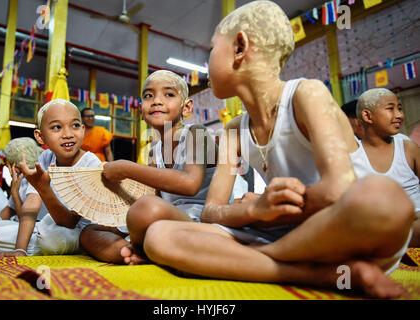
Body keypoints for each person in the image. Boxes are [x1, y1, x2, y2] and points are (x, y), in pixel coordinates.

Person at [140, 1, 415, 299]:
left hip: (343, 227)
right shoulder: (233, 131)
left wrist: (262, 210)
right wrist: (255, 209)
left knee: (386, 198)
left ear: (239, 47)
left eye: (212, 49)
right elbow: (210, 212)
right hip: (286, 234)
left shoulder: (305, 94)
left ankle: (263, 257)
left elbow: (339, 190)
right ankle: (313, 273)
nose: (208, 61)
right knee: (159, 235)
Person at [79, 70, 217, 264]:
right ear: (141, 112)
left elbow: (190, 184)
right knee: (90, 231)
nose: (156, 101)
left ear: (187, 108)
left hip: (198, 222)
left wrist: (128, 168)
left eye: (168, 94)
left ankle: (145, 250)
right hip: (164, 219)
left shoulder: (196, 133)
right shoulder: (155, 151)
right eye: (148, 96)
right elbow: (154, 196)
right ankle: (142, 253)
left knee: (146, 208)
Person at [0, 99, 101, 257]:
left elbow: (70, 222)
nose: (68, 134)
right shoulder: (45, 158)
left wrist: (44, 189)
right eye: (57, 127)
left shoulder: (90, 164)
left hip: (81, 232)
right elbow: (31, 206)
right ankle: (29, 245)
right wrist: (19, 250)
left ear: (83, 130)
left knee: (50, 239)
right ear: (40, 137)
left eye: (75, 125)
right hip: (50, 226)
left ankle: (35, 243)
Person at [352, 88, 420, 248]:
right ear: (368, 116)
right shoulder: (353, 156)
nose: (399, 115)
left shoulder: (407, 148)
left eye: (400, 108)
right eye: (390, 109)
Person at [0, 137, 49, 254]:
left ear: (14, 166)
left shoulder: (37, 176)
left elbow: (24, 219)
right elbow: (6, 212)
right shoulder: (22, 180)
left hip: (39, 229)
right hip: (25, 226)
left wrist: (14, 192)